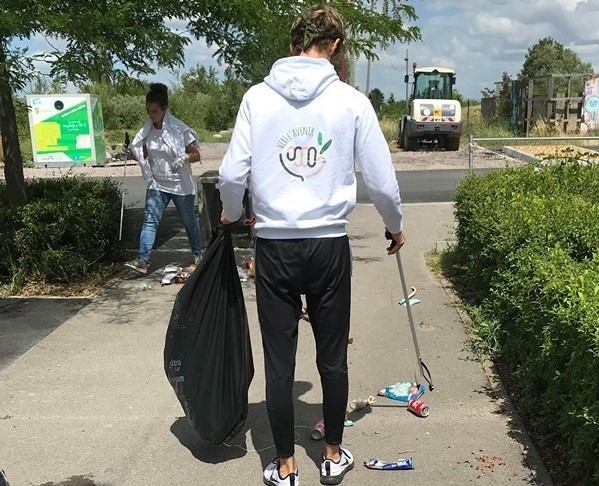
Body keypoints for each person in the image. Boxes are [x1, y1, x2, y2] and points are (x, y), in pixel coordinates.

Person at [217, 5, 405, 486]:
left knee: (279, 362)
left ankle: (285, 465)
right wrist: (395, 226)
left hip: (274, 247)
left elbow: (232, 174)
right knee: (332, 357)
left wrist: (233, 214)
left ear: (293, 43)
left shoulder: (257, 98)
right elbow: (381, 182)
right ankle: (333, 455)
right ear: (337, 46)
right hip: (328, 247)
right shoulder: (352, 102)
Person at [124, 83, 203, 275]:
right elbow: (143, 154)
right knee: (150, 220)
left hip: (179, 185)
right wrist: (130, 154)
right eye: (148, 111)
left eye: (154, 111)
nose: (151, 115)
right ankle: (143, 259)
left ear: (164, 109)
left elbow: (196, 155)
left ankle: (198, 253)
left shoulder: (178, 129)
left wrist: (184, 157)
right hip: (157, 183)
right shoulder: (147, 131)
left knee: (188, 221)